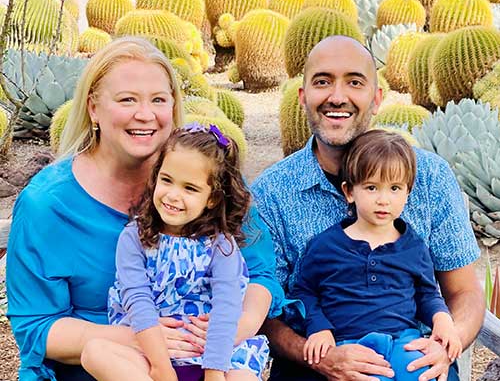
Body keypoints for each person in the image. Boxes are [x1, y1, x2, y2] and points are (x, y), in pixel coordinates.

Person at [7, 37, 284, 381]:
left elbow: (260, 275)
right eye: (127, 100)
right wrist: (145, 341)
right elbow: (36, 327)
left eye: (158, 100)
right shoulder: (46, 205)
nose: (145, 114)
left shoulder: (210, 180)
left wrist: (233, 330)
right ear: (93, 108)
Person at [252, 35, 484, 381]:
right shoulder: (271, 193)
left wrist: (447, 343)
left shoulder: (431, 176)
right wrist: (319, 357)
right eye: (322, 82)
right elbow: (267, 312)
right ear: (303, 97)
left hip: (410, 360)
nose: (337, 96)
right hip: (314, 367)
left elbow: (464, 291)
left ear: (376, 98)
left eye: (354, 82)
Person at [81, 123, 269, 381]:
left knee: (242, 378)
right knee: (94, 351)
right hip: (152, 353)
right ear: (155, 176)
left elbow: (227, 307)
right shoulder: (135, 237)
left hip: (211, 351)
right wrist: (162, 368)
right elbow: (137, 300)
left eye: (189, 188)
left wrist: (214, 372)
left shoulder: (220, 245)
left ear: (212, 198)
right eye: (166, 180)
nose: (172, 195)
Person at [292, 130, 462, 381]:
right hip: (349, 345)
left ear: (407, 192)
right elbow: (303, 292)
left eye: (394, 188)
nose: (384, 200)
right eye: (372, 187)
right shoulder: (326, 246)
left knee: (425, 375)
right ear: (349, 192)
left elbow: (427, 294)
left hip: (403, 341)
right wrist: (318, 329)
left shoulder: (413, 246)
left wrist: (442, 319)